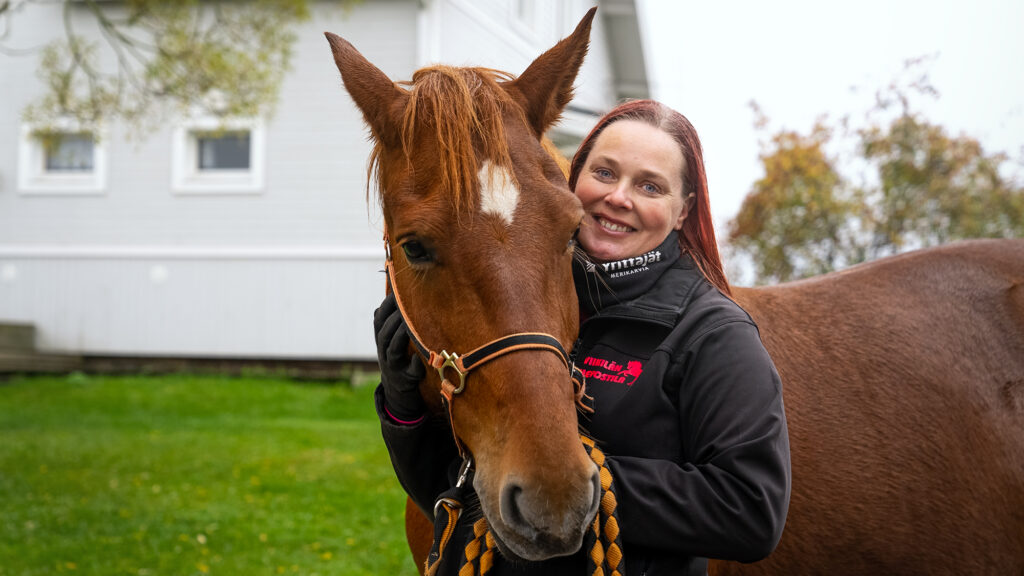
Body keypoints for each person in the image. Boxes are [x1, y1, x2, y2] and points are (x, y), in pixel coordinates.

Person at [373, 99, 791, 576]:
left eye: (650, 185)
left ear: (682, 211)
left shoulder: (714, 334)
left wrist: (583, 483)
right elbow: (453, 487)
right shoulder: (526, 305)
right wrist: (404, 410)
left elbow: (752, 509)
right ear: (572, 177)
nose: (619, 197)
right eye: (606, 173)